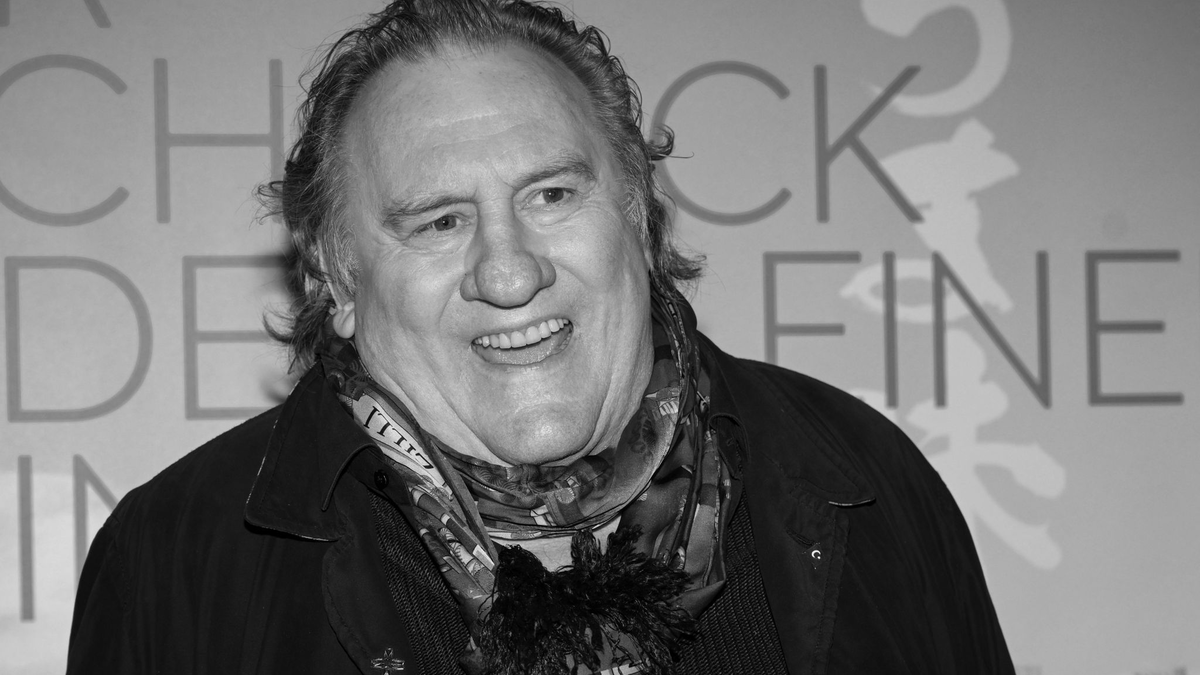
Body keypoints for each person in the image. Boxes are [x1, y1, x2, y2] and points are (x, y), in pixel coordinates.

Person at [66, 1, 1016, 673]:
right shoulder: (174, 559)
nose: (510, 272)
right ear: (336, 281)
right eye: (439, 220)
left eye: (552, 194)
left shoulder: (866, 483)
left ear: (640, 217)